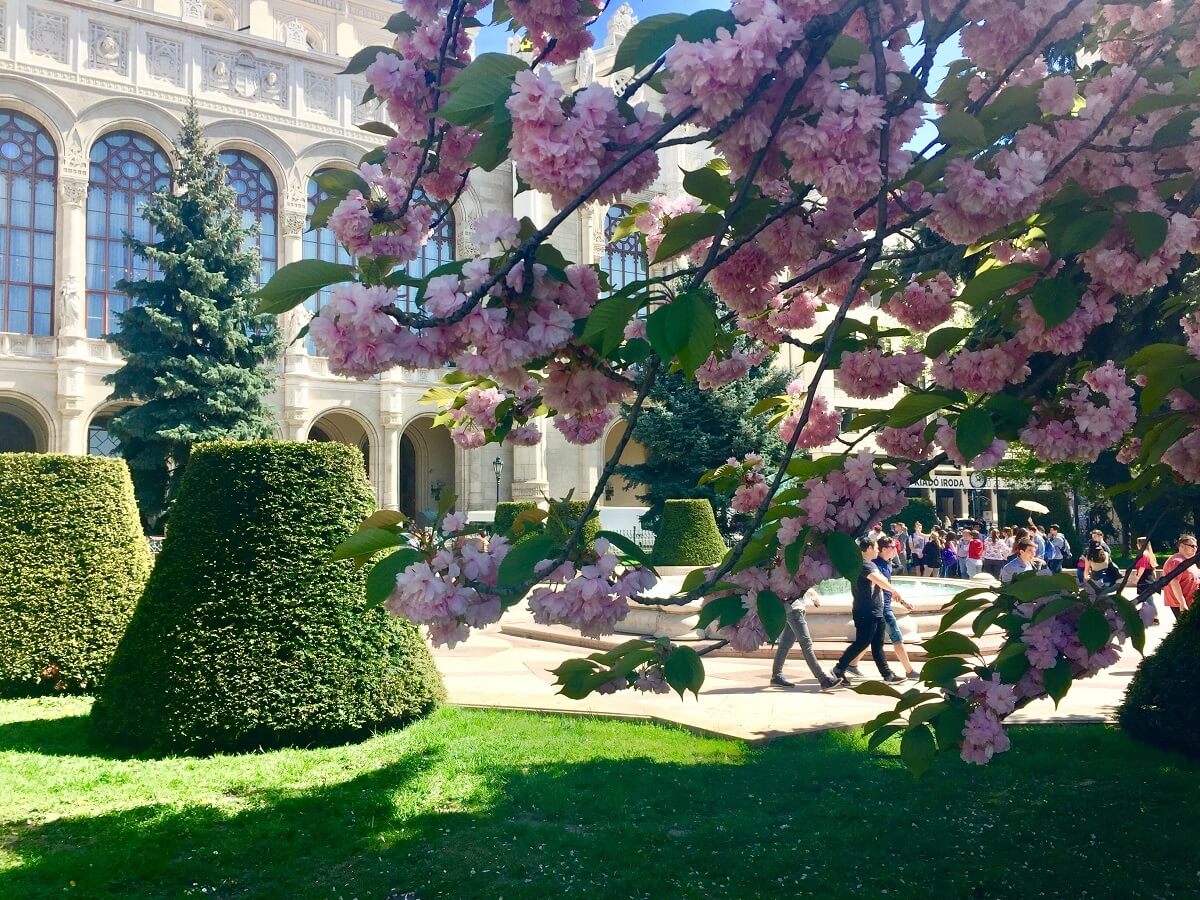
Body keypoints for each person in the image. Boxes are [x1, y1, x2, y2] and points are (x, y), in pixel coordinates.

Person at [830, 538, 905, 687]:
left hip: (876, 609)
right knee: (862, 642)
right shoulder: (862, 565)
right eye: (876, 547)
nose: (878, 549)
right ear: (869, 548)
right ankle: (839, 669)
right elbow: (877, 579)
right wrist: (893, 590)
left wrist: (897, 596)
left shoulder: (871, 564)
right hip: (865, 610)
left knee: (877, 644)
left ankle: (887, 674)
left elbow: (883, 579)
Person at [850, 537, 918, 680]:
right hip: (881, 609)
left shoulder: (886, 564)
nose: (896, 549)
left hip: (883, 607)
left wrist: (902, 601)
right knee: (897, 638)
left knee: (868, 640)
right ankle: (909, 671)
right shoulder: (874, 565)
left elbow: (888, 589)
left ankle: (850, 665)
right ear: (884, 549)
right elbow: (879, 585)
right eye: (893, 547)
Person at [770, 587, 840, 691]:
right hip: (794, 610)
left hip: (793, 609)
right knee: (806, 644)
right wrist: (814, 596)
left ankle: (776, 676)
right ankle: (823, 679)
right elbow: (798, 583)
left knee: (785, 644)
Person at [1163, 534, 1198, 621]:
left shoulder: (1188, 560)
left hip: (1192, 601)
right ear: (1181, 546)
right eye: (1192, 546)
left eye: (1196, 546)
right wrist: (1182, 604)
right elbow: (1174, 582)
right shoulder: (1176, 562)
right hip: (1181, 604)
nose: (1195, 549)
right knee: (1188, 629)